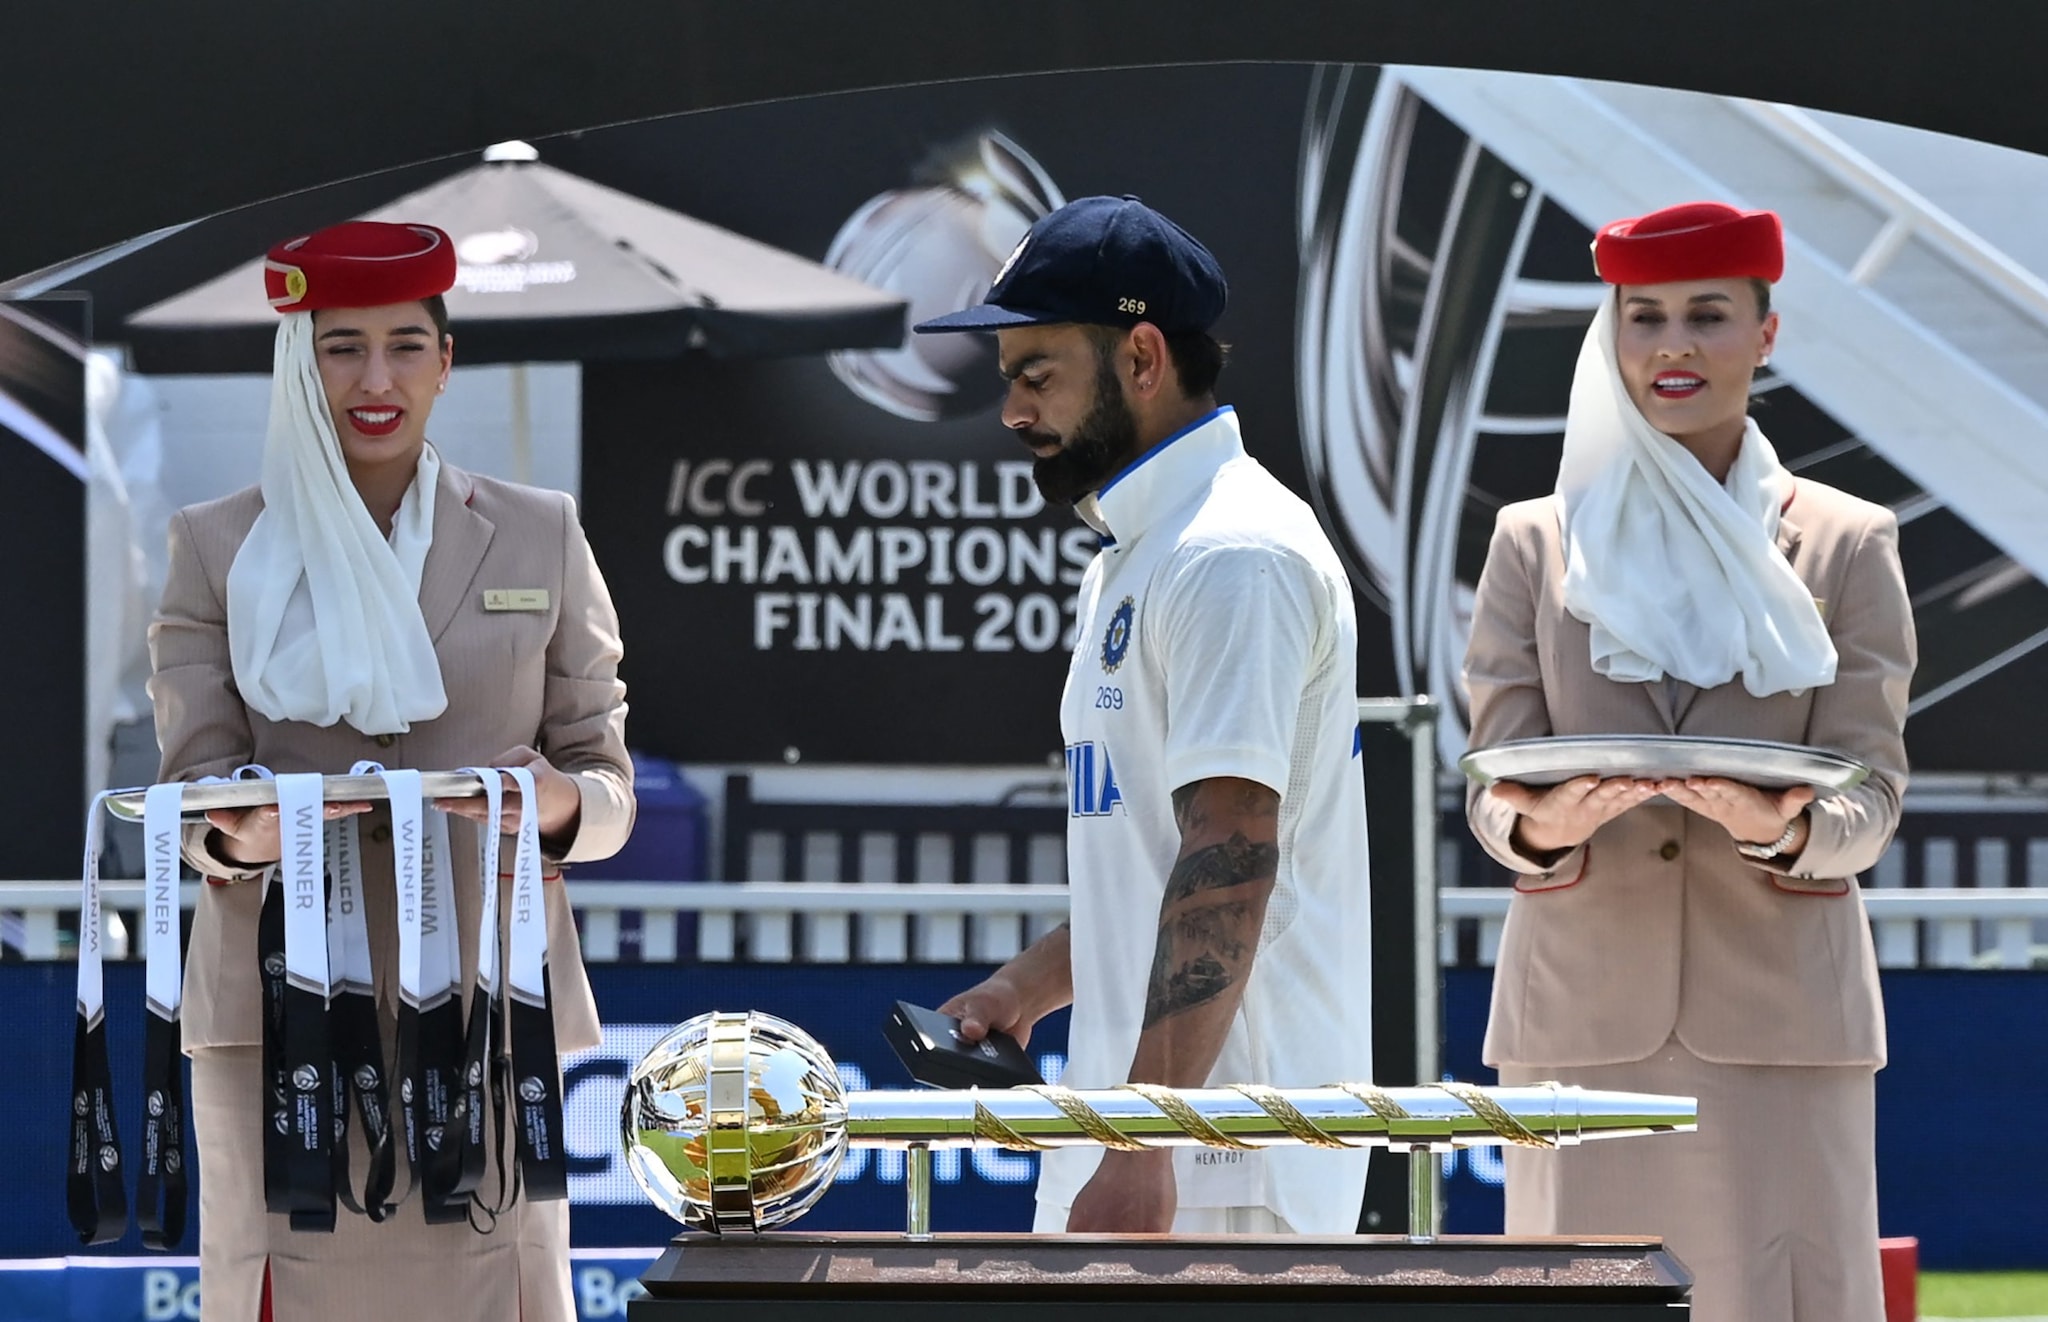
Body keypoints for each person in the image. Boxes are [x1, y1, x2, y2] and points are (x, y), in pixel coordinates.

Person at [148, 220, 634, 1321]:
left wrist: (556, 803)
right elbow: (191, 791)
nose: (377, 380)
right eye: (342, 348)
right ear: (298, 363)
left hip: (490, 1008)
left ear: (446, 361)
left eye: (406, 345)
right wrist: (237, 833)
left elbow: (605, 787)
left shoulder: (539, 534)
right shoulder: (215, 546)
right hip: (281, 1016)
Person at [1462, 201, 1914, 1321]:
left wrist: (1784, 827)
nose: (1673, 345)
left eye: (1707, 315)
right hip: (1580, 1018)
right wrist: (1543, 826)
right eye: (1644, 315)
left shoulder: (1845, 541)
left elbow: (1871, 787)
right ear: (1610, 334)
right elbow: (1493, 776)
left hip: (1778, 1019)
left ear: (1765, 333)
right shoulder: (1536, 539)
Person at [915, 195, 1372, 1235]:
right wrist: (1026, 988)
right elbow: (1170, 868)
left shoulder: (1231, 554)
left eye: (1037, 374)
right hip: (1154, 1142)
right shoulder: (1147, 551)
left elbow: (1232, 858)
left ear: (1142, 355)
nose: (1012, 412)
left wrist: (1145, 1138)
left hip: (1223, 1159)